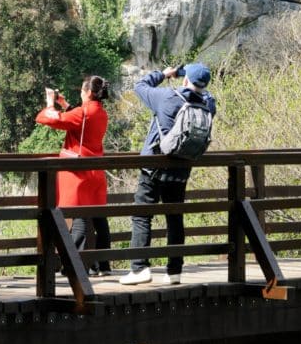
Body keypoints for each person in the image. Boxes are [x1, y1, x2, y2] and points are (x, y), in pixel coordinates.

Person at [120, 63, 216, 285]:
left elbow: (140, 85)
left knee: (142, 215)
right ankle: (174, 271)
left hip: (153, 167)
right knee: (174, 217)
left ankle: (139, 268)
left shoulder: (166, 97)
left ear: (184, 80)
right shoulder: (209, 104)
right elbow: (204, 93)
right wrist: (194, 82)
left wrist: (163, 74)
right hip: (181, 170)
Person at [35, 76, 112, 276]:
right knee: (97, 219)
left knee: (78, 220)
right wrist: (64, 104)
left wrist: (50, 103)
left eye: (81, 90)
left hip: (79, 174)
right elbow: (79, 119)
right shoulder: (101, 112)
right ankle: (102, 265)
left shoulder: (83, 113)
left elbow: (49, 119)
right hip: (96, 172)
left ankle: (76, 267)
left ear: (87, 92)